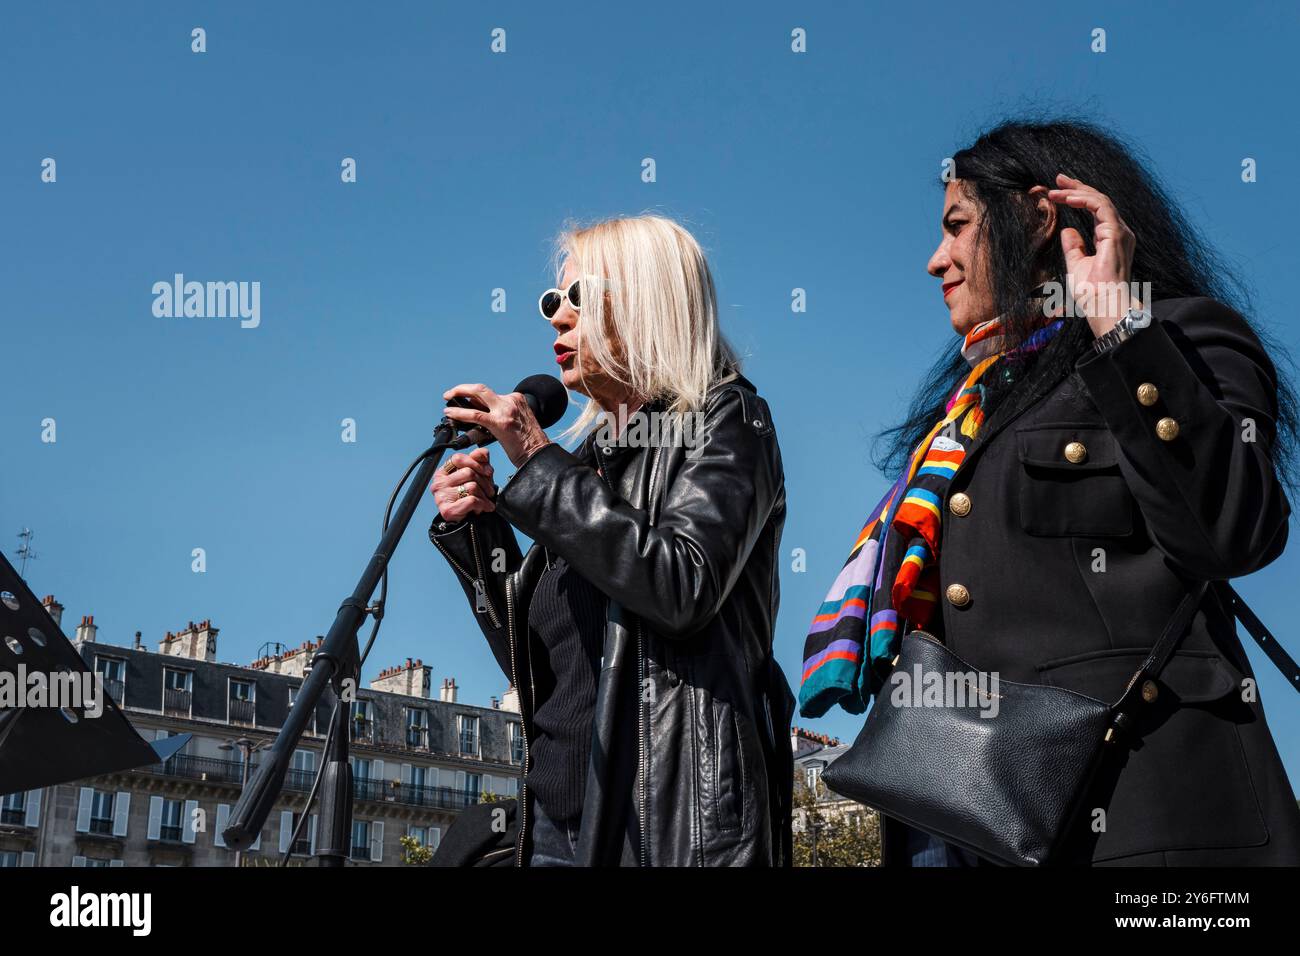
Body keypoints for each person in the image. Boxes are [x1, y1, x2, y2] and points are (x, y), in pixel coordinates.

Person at [799, 119, 1300, 865]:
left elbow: (1234, 531)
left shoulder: (1174, 335)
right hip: (967, 812)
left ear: (1038, 217)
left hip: (1139, 816)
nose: (935, 260)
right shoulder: (972, 407)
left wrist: (1119, 326)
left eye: (956, 227)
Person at [430, 214, 794, 866]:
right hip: (555, 826)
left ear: (648, 301)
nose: (557, 316)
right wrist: (478, 529)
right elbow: (539, 667)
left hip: (666, 826)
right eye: (551, 300)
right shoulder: (588, 467)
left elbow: (682, 585)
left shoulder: (730, 421)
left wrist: (538, 463)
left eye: (577, 296)